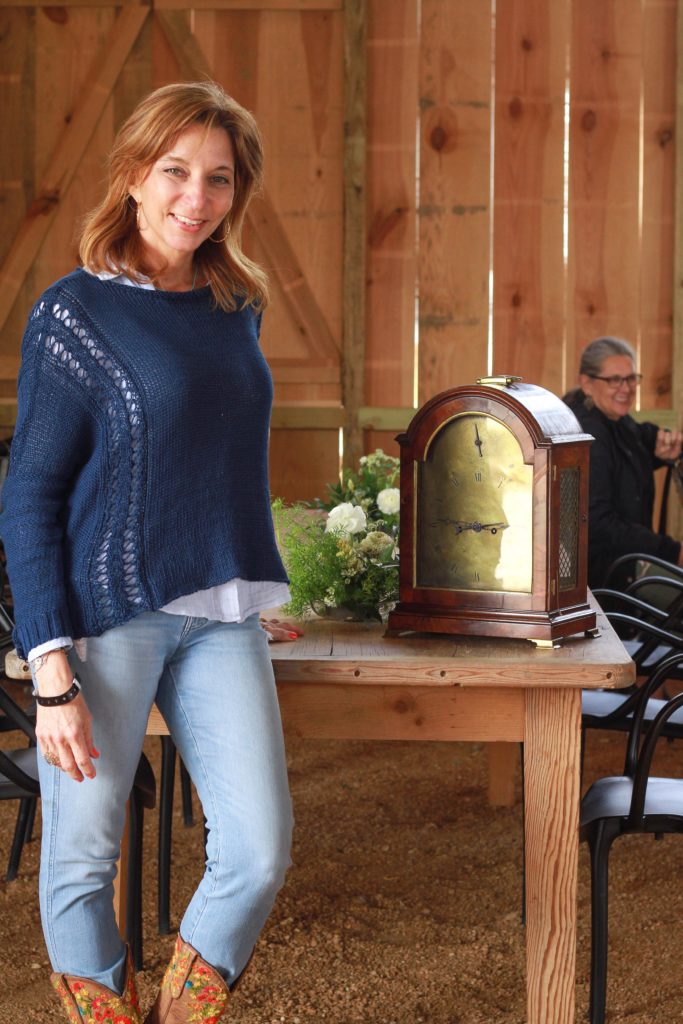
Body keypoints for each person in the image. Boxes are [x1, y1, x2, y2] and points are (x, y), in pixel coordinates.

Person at [0, 81, 297, 1024]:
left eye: (217, 179)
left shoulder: (234, 303)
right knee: (84, 858)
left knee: (258, 849)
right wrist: (50, 672)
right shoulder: (73, 313)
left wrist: (252, 574)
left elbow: (216, 459)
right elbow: (30, 494)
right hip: (104, 622)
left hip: (218, 618)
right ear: (133, 175)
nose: (195, 198)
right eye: (175, 171)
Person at [564, 336, 683, 590]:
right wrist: (672, 552)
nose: (626, 388)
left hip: (627, 565)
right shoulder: (587, 434)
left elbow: (642, 438)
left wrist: (665, 446)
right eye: (614, 380)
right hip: (606, 580)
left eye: (631, 378)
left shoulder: (617, 421)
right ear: (587, 383)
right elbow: (599, 523)